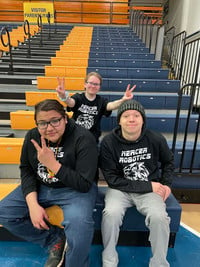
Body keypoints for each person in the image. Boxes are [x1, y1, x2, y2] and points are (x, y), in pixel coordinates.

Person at [0, 99, 99, 267]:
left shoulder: (83, 138)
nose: (49, 128)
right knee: (4, 212)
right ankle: (54, 240)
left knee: (80, 226)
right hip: (42, 186)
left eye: (55, 121)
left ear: (65, 119)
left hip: (74, 190)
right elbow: (27, 170)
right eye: (43, 123)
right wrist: (32, 205)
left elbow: (84, 183)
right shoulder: (33, 136)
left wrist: (52, 164)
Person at [99, 99, 174, 267]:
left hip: (149, 191)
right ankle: (109, 259)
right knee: (111, 214)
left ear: (143, 120)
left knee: (160, 217)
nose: (131, 119)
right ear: (119, 120)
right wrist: (148, 185)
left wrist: (167, 184)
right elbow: (112, 179)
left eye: (136, 115)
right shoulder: (108, 143)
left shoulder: (155, 139)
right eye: (126, 116)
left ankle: (159, 263)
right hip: (120, 189)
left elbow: (169, 162)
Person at [56, 72, 136, 142]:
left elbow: (110, 105)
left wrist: (123, 100)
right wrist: (64, 96)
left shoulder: (101, 101)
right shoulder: (78, 97)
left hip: (91, 138)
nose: (93, 86)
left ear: (99, 87)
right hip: (74, 135)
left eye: (96, 84)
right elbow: (71, 103)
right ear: (85, 84)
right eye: (90, 83)